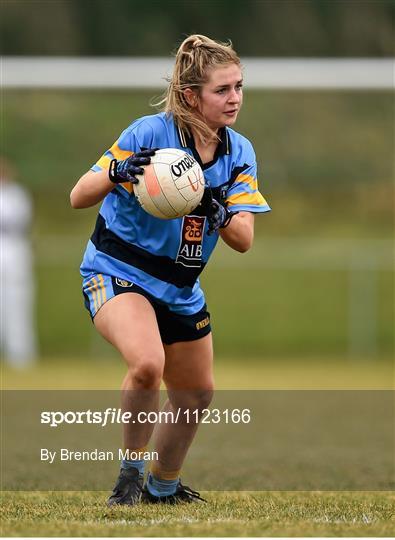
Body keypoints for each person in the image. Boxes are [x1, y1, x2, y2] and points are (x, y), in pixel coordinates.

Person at [70, 34, 270, 505]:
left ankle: (162, 487)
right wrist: (115, 174)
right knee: (146, 365)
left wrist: (215, 207)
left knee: (197, 393)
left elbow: (243, 240)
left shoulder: (239, 152)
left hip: (180, 287)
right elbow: (78, 195)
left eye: (239, 86)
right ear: (189, 96)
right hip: (117, 269)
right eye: (222, 90)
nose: (235, 98)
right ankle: (129, 477)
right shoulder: (147, 133)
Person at [0, 157, 37, 367]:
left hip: (14, 248)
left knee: (18, 301)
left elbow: (19, 221)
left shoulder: (17, 194)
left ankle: (20, 354)